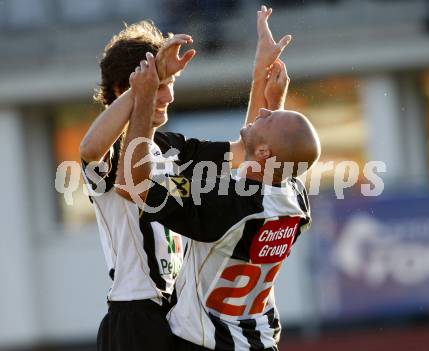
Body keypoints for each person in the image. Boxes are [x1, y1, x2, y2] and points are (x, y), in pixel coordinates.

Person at [79, 6, 291, 351]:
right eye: (160, 85)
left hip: (180, 310)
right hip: (134, 316)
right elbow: (89, 150)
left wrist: (260, 75)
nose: (168, 96)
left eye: (170, 84)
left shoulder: (173, 147)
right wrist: (142, 91)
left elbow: (247, 150)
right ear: (124, 87)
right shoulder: (114, 151)